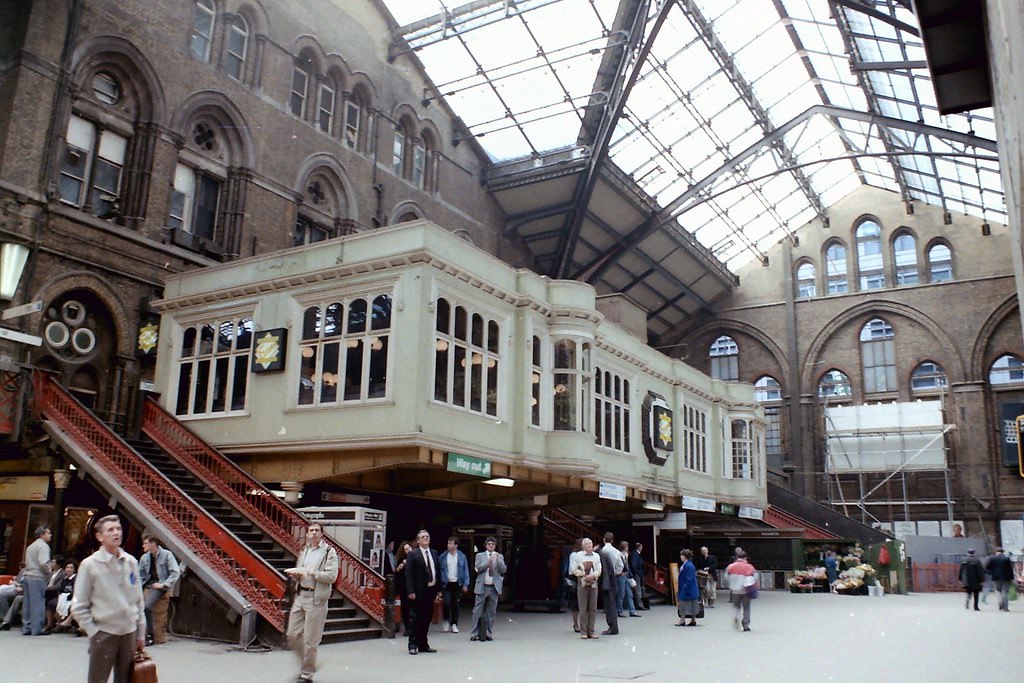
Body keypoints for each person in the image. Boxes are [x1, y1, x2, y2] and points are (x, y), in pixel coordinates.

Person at [71, 515, 146, 683]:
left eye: (118, 529)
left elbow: (138, 600)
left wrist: (141, 632)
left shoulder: (131, 562)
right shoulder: (90, 565)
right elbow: (78, 606)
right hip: (104, 633)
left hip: (129, 632)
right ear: (100, 537)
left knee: (127, 679)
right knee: (98, 679)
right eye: (110, 530)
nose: (116, 533)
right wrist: (93, 632)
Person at [285, 522, 339, 683]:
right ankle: (309, 663)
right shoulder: (305, 550)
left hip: (316, 599)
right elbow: (300, 569)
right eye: (311, 531)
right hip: (301, 595)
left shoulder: (329, 552)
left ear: (322, 534)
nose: (314, 533)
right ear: (307, 534)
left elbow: (331, 576)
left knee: (310, 639)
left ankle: (307, 674)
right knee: (292, 635)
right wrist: (296, 575)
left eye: (317, 531)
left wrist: (313, 573)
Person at [138, 535, 180, 645]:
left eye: (146, 543)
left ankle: (150, 634)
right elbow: (140, 575)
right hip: (147, 584)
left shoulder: (167, 555)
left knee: (146, 606)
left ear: (153, 544)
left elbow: (175, 572)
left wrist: (163, 585)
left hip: (160, 585)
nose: (143, 545)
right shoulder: (145, 558)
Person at [404, 529, 441, 655]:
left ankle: (423, 644)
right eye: (423, 537)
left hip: (431, 590)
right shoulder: (413, 554)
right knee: (416, 618)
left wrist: (438, 590)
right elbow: (408, 574)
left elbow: (438, 571)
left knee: (426, 618)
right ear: (418, 540)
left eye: (427, 536)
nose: (426, 538)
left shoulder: (434, 553)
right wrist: (411, 591)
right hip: (418, 591)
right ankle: (412, 644)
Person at [469, 536, 506, 642]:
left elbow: (503, 570)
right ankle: (474, 633)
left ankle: (489, 632)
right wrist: (488, 561)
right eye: (489, 544)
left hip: (494, 587)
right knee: (477, 611)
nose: (491, 546)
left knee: (491, 611)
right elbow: (477, 568)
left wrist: (497, 561)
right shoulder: (480, 555)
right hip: (482, 586)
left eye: (493, 544)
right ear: (486, 545)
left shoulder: (500, 556)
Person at [22, 524, 51, 636]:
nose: (50, 535)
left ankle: (27, 626)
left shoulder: (30, 546)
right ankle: (37, 628)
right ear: (42, 534)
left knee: (27, 603)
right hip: (38, 576)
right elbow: (43, 563)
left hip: (28, 575)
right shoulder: (43, 547)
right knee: (38, 603)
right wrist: (48, 573)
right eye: (48, 533)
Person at [570, 537, 601, 639]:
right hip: (582, 583)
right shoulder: (578, 556)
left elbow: (599, 568)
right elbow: (573, 569)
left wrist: (594, 575)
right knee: (583, 608)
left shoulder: (596, 556)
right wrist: (583, 574)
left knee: (593, 608)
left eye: (590, 544)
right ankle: (583, 631)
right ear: (583, 546)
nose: (589, 546)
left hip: (594, 583)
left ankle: (591, 631)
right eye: (587, 544)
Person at [439, 536, 469, 633]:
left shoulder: (461, 556)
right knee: (446, 603)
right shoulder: (443, 556)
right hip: (446, 583)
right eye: (448, 543)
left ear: (456, 545)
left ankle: (454, 623)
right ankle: (446, 620)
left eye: (451, 543)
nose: (449, 545)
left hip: (457, 582)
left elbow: (465, 570)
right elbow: (439, 571)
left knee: (455, 604)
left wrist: (466, 584)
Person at [725, 548, 757, 632]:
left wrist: (732, 584)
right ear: (745, 558)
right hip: (746, 590)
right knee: (746, 608)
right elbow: (755, 577)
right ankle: (745, 625)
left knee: (736, 606)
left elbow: (726, 577)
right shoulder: (749, 567)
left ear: (737, 557)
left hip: (735, 590)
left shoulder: (731, 566)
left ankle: (736, 617)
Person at [597, 532, 621, 635]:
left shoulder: (603, 551)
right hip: (614, 577)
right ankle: (614, 625)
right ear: (612, 540)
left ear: (603, 539)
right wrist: (616, 572)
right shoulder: (616, 551)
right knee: (612, 603)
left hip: (606, 578)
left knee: (608, 604)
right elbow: (620, 565)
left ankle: (612, 626)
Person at [393, 540, 413, 635]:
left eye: (409, 548)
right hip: (404, 587)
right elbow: (397, 574)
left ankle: (413, 626)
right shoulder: (401, 560)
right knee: (405, 608)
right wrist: (399, 568)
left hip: (414, 587)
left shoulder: (415, 558)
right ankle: (407, 627)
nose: (408, 550)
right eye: (406, 549)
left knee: (414, 608)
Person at [986, 546, 1015, 612]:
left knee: (998, 590)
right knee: (1004, 591)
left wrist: (991, 573)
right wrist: (1012, 578)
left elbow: (987, 568)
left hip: (996, 578)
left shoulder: (992, 558)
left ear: (996, 552)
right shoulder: (1007, 559)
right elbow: (1010, 569)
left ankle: (1000, 602)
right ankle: (1006, 608)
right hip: (1006, 578)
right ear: (1003, 552)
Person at [676, 549, 701, 626]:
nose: (680, 557)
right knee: (693, 603)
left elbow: (689, 578)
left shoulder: (688, 565)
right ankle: (693, 619)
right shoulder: (688, 564)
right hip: (691, 588)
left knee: (683, 603)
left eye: (681, 555)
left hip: (687, 588)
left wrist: (684, 586)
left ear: (685, 556)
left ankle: (682, 619)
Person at [564, 538, 583, 632]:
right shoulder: (574, 555)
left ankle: (582, 623)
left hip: (583, 578)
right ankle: (576, 624)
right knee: (575, 603)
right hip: (575, 579)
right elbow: (571, 569)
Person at [617, 541, 639, 617]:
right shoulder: (618, 555)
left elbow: (627, 565)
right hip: (621, 575)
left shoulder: (626, 554)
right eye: (627, 547)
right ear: (624, 547)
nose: (628, 548)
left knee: (629, 594)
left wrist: (630, 575)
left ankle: (632, 611)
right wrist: (619, 573)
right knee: (621, 594)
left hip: (626, 575)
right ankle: (620, 611)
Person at [0, 566, 26, 630]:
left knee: (1, 594)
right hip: (14, 586)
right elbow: (15, 580)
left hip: (21, 589)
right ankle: (4, 618)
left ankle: (5, 618)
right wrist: (14, 582)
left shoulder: (34, 573)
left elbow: (30, 585)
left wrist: (20, 585)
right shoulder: (23, 570)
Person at [629, 542, 646, 610]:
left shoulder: (636, 554)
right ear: (639, 547)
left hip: (638, 573)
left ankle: (640, 604)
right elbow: (634, 565)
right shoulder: (635, 555)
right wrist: (639, 573)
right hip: (637, 574)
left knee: (639, 589)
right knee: (638, 589)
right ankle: (639, 605)